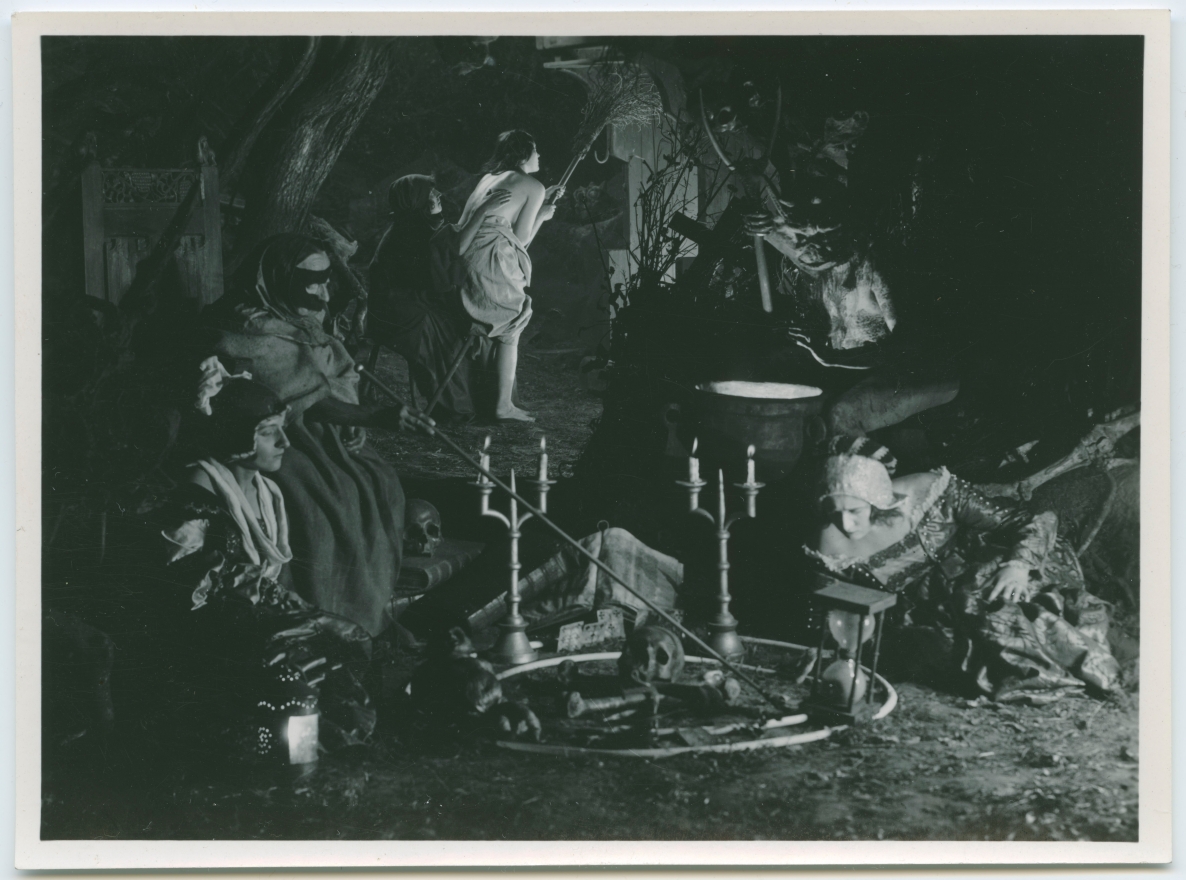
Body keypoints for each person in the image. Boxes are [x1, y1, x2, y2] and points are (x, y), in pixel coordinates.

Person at [203, 233, 435, 637]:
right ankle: (327, 614)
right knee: (327, 501)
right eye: (313, 283)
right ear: (280, 279)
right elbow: (299, 397)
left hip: (322, 429)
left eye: (327, 281)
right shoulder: (247, 329)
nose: (325, 295)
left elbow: (331, 376)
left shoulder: (294, 317)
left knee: (380, 480)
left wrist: (353, 420)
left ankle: (373, 609)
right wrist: (373, 416)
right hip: (270, 432)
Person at [152, 358, 376, 756]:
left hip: (257, 616)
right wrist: (284, 619)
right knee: (293, 674)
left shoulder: (265, 490)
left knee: (348, 642)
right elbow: (187, 590)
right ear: (235, 434)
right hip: (208, 630)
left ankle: (332, 746)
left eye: (281, 430)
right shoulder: (196, 496)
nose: (285, 443)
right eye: (269, 433)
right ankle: (297, 761)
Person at [804, 438, 1119, 703]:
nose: (846, 524)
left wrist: (1018, 566)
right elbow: (829, 609)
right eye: (833, 512)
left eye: (855, 510)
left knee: (1014, 607)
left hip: (977, 576)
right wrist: (828, 649)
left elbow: (1025, 521)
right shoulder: (829, 543)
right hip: (923, 615)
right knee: (971, 645)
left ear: (877, 499)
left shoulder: (929, 491)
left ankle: (1094, 669)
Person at [367, 174, 511, 424]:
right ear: (416, 200)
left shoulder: (415, 224)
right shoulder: (409, 230)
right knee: (449, 336)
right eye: (430, 193)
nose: (437, 196)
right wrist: (484, 209)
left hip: (408, 303)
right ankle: (453, 406)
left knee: (460, 326)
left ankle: (473, 401)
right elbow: (455, 248)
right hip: (399, 312)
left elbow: (444, 253)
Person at [454, 130, 565, 423]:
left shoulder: (489, 177)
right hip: (489, 261)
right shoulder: (533, 186)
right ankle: (503, 405)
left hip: (466, 259)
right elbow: (521, 240)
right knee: (514, 319)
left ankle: (499, 398)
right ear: (523, 154)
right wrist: (542, 215)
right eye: (535, 150)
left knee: (512, 316)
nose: (539, 155)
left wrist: (541, 200)